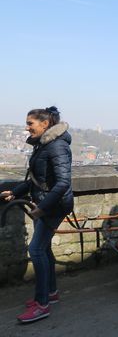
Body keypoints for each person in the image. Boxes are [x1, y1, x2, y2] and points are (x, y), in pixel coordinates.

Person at [1, 107, 73, 323]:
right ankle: (51, 293)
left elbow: (62, 183)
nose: (27, 127)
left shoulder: (56, 146)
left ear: (45, 125)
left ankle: (42, 305)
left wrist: (43, 208)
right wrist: (15, 192)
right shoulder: (44, 145)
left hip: (55, 205)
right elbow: (36, 180)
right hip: (47, 203)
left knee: (37, 249)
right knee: (45, 248)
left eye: (30, 123)